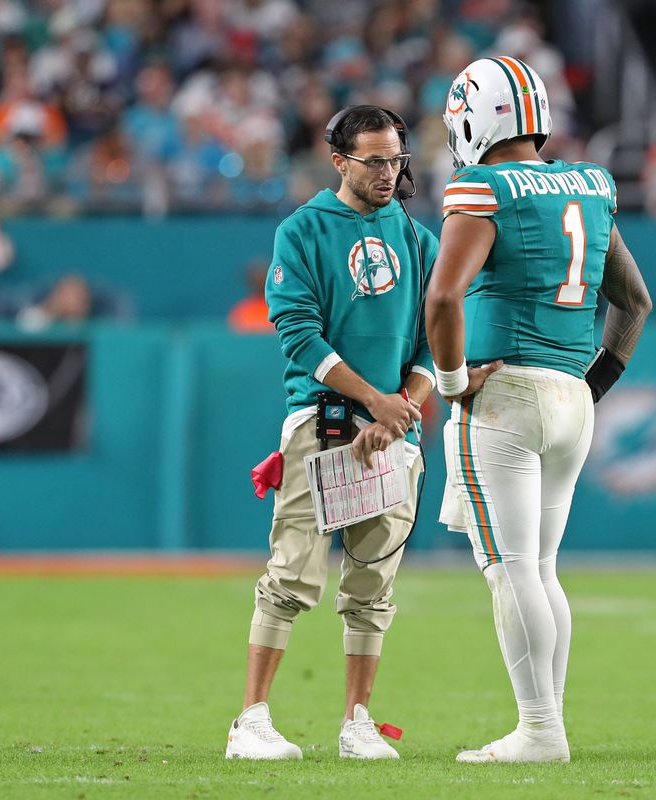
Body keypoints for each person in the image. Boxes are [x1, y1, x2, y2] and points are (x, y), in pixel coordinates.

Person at [427, 57, 652, 763]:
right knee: (541, 567)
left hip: (506, 397)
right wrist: (595, 382)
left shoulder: (483, 186)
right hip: (570, 395)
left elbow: (441, 298)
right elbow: (634, 301)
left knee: (511, 568)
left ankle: (540, 730)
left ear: (474, 116)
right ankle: (545, 725)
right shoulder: (590, 183)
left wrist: (451, 380)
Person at [226, 105, 438, 761]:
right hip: (322, 421)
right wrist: (377, 401)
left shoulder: (420, 240)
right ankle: (250, 721)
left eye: (395, 159)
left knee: (373, 587)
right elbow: (297, 331)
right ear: (339, 161)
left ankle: (357, 722)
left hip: (389, 432)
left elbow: (433, 349)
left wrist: (403, 407)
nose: (387, 171)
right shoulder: (304, 230)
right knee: (291, 576)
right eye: (373, 159)